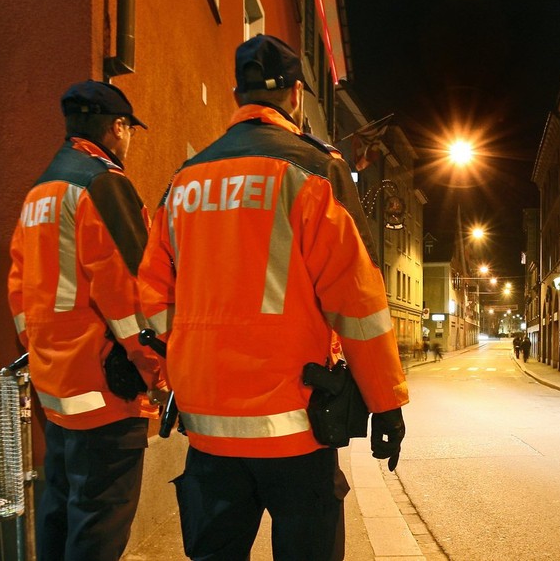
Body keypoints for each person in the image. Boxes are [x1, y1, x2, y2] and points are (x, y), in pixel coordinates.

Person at [138, 34, 409, 560]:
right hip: (296, 429)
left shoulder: (184, 182)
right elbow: (357, 302)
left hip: (209, 432)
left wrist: (184, 364)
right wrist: (386, 404)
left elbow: (151, 297)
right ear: (297, 95)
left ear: (237, 94)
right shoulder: (314, 171)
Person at [7, 80, 167, 561]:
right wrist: (157, 371)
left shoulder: (41, 191)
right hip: (105, 390)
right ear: (117, 128)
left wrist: (43, 356)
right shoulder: (103, 185)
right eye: (129, 129)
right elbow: (133, 298)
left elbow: (19, 291)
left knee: (60, 506)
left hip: (55, 387)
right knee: (100, 522)